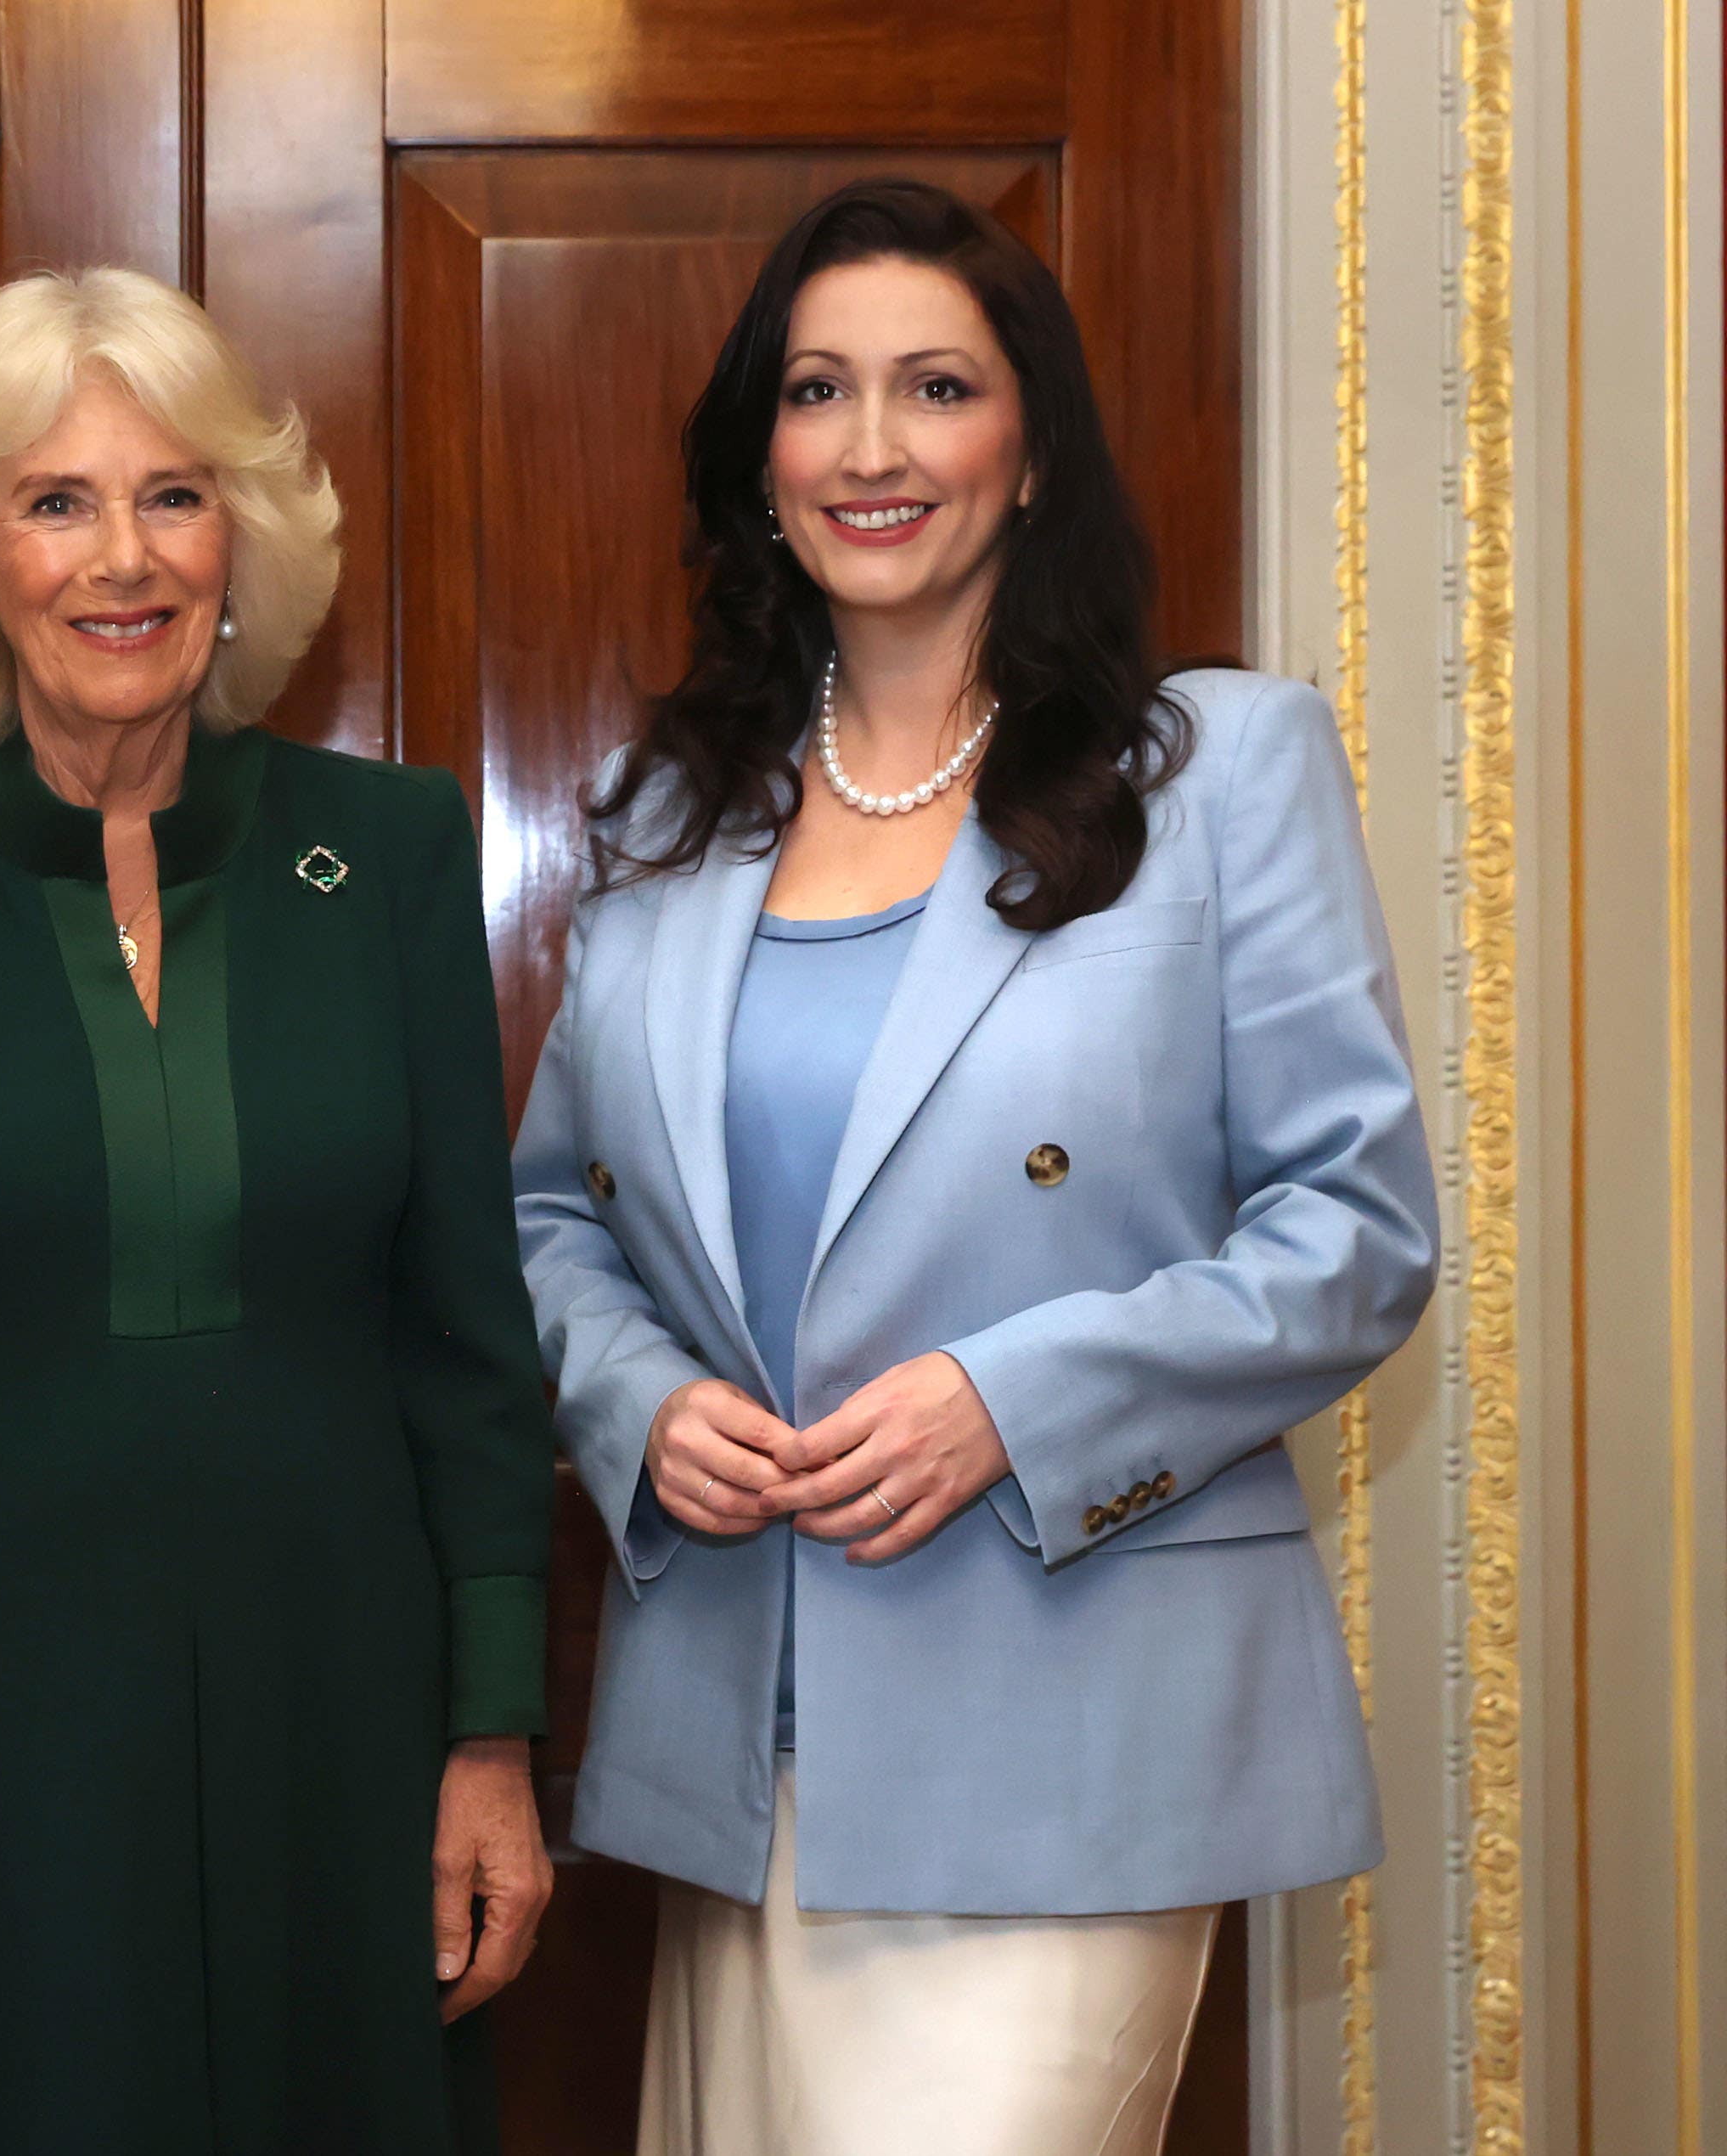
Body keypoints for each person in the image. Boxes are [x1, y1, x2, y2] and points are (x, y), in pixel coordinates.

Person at [511, 179, 1437, 2154]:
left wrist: (1005, 1406)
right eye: (814, 390)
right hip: (736, 1742)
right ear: (757, 459)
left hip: (1072, 1728)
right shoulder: (670, 816)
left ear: (1027, 451)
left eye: (932, 387)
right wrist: (638, 1401)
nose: (867, 446)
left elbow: (1353, 1231)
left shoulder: (1214, 771)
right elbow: (545, 1220)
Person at [0, 267, 555, 2153]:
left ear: (239, 540)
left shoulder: (382, 853)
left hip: (332, 1750)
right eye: (52, 500)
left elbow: (465, 1343)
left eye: (171, 493)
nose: (117, 557)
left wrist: (487, 1741)